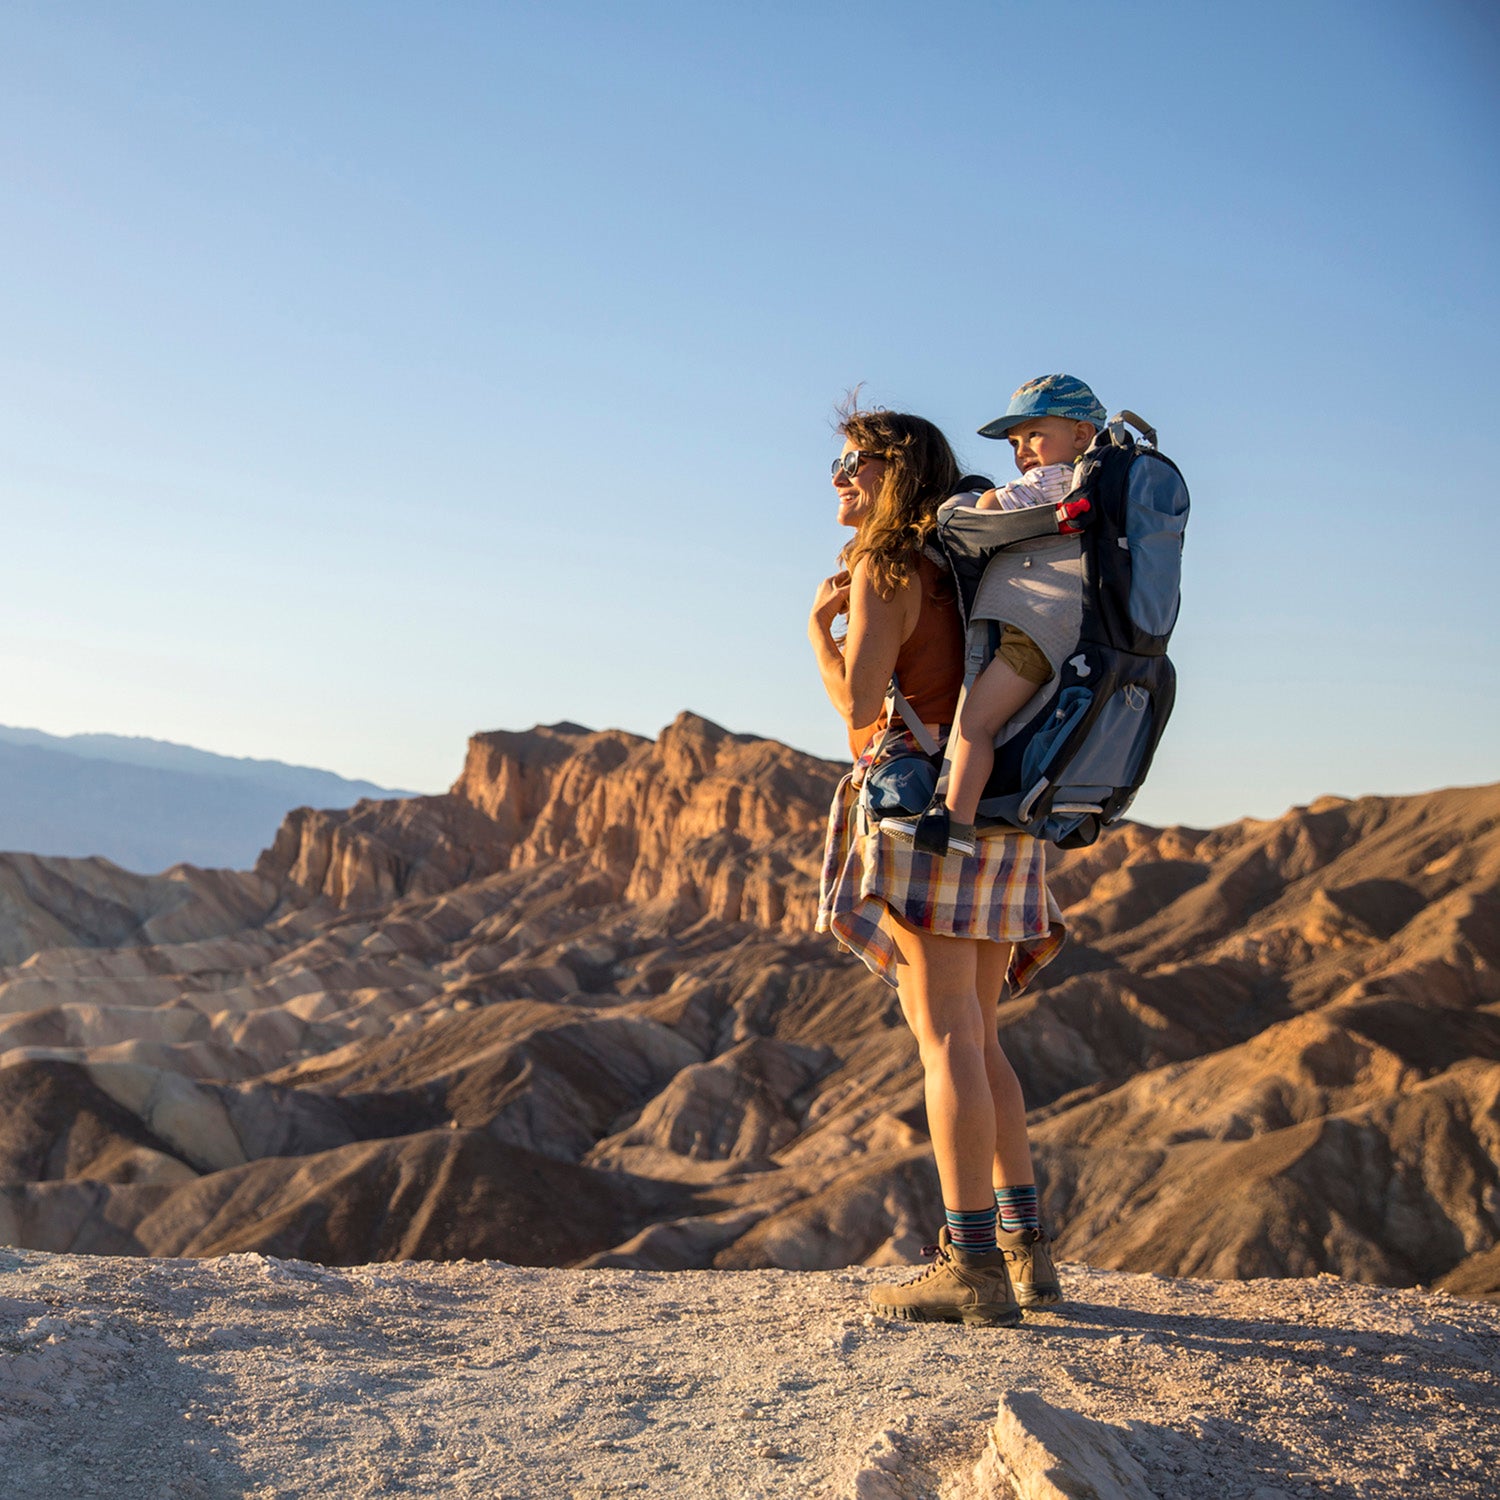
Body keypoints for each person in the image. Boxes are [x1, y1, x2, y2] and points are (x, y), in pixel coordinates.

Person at [809, 402, 1066, 1326]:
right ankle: (1027, 1254)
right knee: (982, 1035)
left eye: (855, 464)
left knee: (947, 1036)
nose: (838, 480)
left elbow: (860, 710)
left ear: (899, 472)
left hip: (925, 819)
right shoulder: (975, 566)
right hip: (1003, 813)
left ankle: (970, 1265)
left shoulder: (887, 568)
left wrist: (815, 632)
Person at [881, 374, 1107, 858]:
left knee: (975, 723)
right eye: (1014, 441)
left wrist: (971, 497)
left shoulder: (1051, 480)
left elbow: (984, 512)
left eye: (1034, 434)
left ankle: (953, 823)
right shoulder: (1100, 485)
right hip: (1076, 635)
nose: (1022, 450)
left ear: (1082, 435)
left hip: (1035, 638)